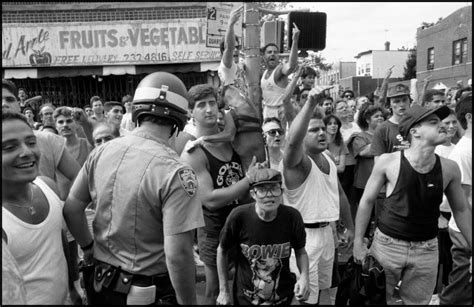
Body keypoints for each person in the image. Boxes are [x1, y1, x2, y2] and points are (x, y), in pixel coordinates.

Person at [63, 72, 204, 305]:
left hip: (99, 283)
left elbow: (71, 209)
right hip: (145, 291)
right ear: (179, 120)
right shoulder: (177, 172)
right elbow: (178, 255)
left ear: (138, 110)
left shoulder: (101, 151)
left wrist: (88, 247)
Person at [353, 104, 472, 305]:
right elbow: (366, 201)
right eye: (434, 122)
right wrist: (358, 242)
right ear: (414, 131)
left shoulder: (449, 168)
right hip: (387, 247)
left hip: (427, 250)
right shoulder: (387, 161)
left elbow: (460, 209)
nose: (443, 126)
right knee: (377, 301)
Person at [180, 84, 258, 304]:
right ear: (191, 112)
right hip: (214, 227)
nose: (208, 109)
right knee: (214, 289)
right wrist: (249, 180)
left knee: (247, 282)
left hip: (243, 222)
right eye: (201, 105)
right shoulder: (193, 153)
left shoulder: (234, 141)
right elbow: (210, 200)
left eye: (212, 103)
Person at [281, 86, 355, 305]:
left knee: (325, 291)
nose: (322, 133)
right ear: (303, 133)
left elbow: (339, 194)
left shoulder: (328, 157)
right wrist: (311, 103)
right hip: (304, 238)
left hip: (327, 233)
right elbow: (293, 142)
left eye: (323, 128)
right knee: (304, 298)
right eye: (314, 130)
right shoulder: (297, 162)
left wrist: (349, 226)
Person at [216, 168, 310, 305]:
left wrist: (304, 277)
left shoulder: (292, 217)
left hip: (283, 297)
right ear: (253, 194)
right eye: (262, 190)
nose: (269, 195)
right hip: (245, 299)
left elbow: (301, 252)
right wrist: (223, 290)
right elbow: (222, 250)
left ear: (282, 192)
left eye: (274, 189)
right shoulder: (239, 216)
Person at [2, 112, 68, 304]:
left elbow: (60, 240)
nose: (27, 152)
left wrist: (73, 285)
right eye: (9, 147)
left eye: (31, 142)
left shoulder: (48, 186)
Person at [2, 79, 81, 201]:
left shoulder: (48, 139)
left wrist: (67, 207)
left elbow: (79, 176)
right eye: (9, 148)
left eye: (10, 99)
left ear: (19, 105)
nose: (4, 104)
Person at [439, 93, 472, 306]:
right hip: (466, 233)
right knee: (460, 292)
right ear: (469, 117)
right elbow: (462, 202)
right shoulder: (464, 152)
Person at [432, 110, 458, 297]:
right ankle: (432, 295)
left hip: (454, 213)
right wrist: (438, 215)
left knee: (450, 259)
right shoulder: (436, 150)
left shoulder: (458, 147)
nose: (450, 127)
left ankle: (447, 294)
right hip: (438, 214)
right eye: (446, 123)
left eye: (454, 122)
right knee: (435, 258)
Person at [348, 104, 385, 223]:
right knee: (366, 217)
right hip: (364, 183)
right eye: (376, 116)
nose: (380, 118)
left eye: (381, 116)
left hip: (383, 184)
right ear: (368, 120)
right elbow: (364, 152)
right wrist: (381, 139)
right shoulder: (360, 136)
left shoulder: (387, 135)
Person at [260, 23, 300, 122]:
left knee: (281, 137)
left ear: (278, 56)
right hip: (267, 112)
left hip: (281, 112)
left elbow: (291, 66)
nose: (273, 54)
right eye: (269, 52)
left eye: (275, 52)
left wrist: (295, 41)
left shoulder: (280, 70)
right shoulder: (263, 73)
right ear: (264, 57)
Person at [371, 83, 412, 162]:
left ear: (410, 101)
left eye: (404, 100)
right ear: (390, 104)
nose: (402, 104)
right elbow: (378, 162)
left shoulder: (418, 125)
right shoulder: (382, 129)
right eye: (396, 101)